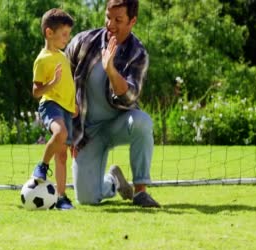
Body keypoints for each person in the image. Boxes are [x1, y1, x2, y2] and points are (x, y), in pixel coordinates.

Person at [65, 0, 160, 207]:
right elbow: (63, 82)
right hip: (88, 132)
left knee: (143, 122)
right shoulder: (83, 42)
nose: (111, 24)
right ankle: (114, 182)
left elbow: (130, 97)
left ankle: (141, 191)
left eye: (118, 20)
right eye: (108, 17)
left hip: (120, 123)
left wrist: (110, 69)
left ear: (132, 21)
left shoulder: (137, 53)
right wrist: (71, 132)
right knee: (87, 199)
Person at [31, 8, 77, 210]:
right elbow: (36, 91)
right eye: (64, 34)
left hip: (66, 108)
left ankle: (61, 198)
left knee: (63, 155)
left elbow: (67, 83)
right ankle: (41, 166)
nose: (68, 39)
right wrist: (52, 82)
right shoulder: (42, 59)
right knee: (60, 132)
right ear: (49, 33)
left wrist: (73, 104)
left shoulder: (63, 55)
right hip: (50, 104)